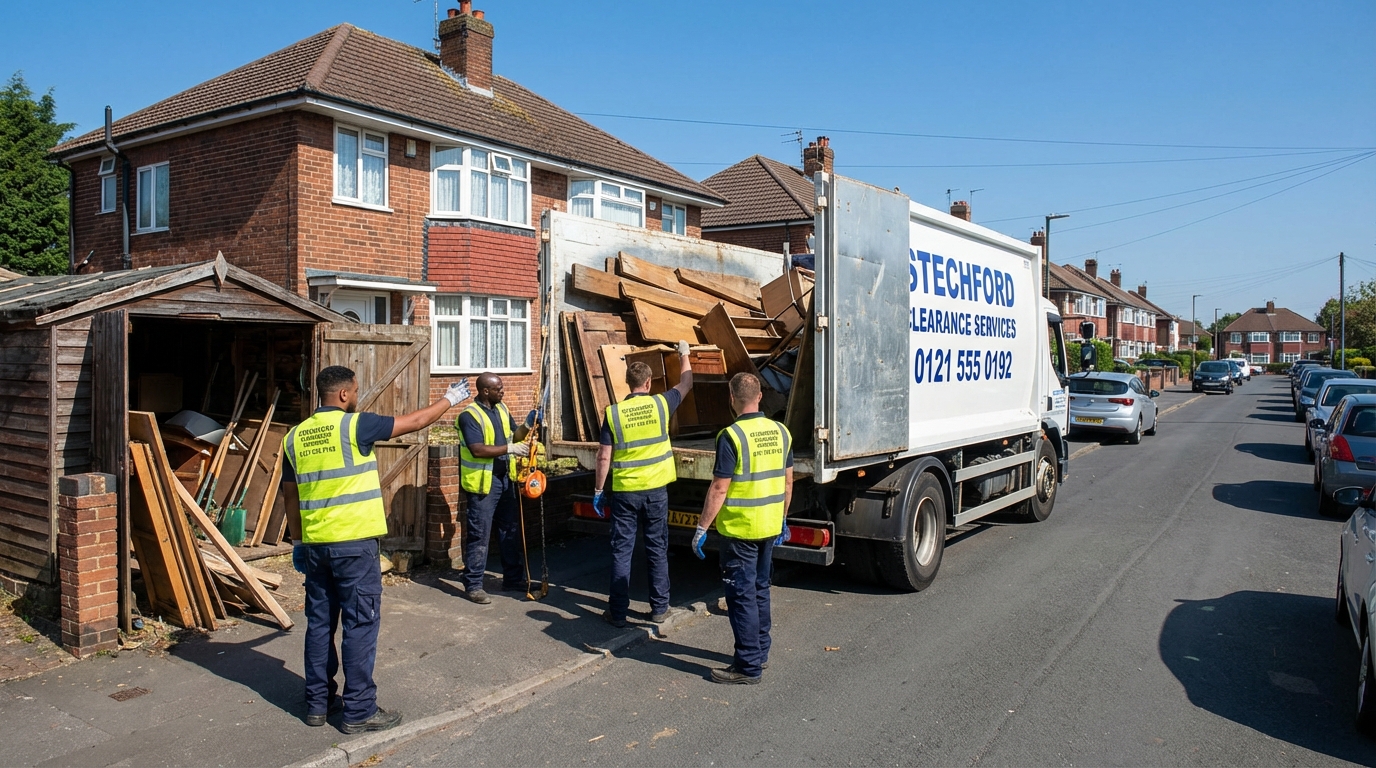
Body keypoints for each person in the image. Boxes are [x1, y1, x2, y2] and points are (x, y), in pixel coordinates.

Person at [282, 366, 471, 732]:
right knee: (360, 625)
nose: (356, 396)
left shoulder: (294, 437)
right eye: (354, 391)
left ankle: (318, 705)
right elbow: (414, 422)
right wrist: (450, 398)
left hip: (317, 547)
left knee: (320, 625)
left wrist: (297, 542)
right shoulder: (356, 426)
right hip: (354, 546)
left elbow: (290, 495)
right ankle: (359, 711)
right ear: (342, 395)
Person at [691, 372, 793, 685]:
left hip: (740, 532)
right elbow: (788, 481)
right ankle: (759, 653)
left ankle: (747, 666)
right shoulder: (781, 432)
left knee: (741, 596)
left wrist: (701, 527)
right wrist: (782, 519)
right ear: (760, 396)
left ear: (732, 399)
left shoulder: (731, 436)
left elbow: (720, 488)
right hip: (769, 527)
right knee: (760, 590)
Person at [594, 340, 694, 627]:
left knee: (622, 551)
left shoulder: (613, 413)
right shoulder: (662, 404)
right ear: (649, 383)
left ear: (628, 383)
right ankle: (660, 609)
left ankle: (618, 612)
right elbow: (686, 383)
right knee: (656, 548)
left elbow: (603, 456)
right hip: (655, 491)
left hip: (625, 492)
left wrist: (599, 490)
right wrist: (684, 354)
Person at [457, 372, 540, 604]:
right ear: (485, 391)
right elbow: (478, 449)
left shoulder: (501, 409)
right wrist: (511, 449)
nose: (502, 392)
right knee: (479, 534)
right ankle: (473, 584)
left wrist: (527, 424)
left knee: (510, 530)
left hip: (505, 479)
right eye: (498, 389)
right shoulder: (469, 416)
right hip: (483, 484)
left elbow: (514, 435)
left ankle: (512, 579)